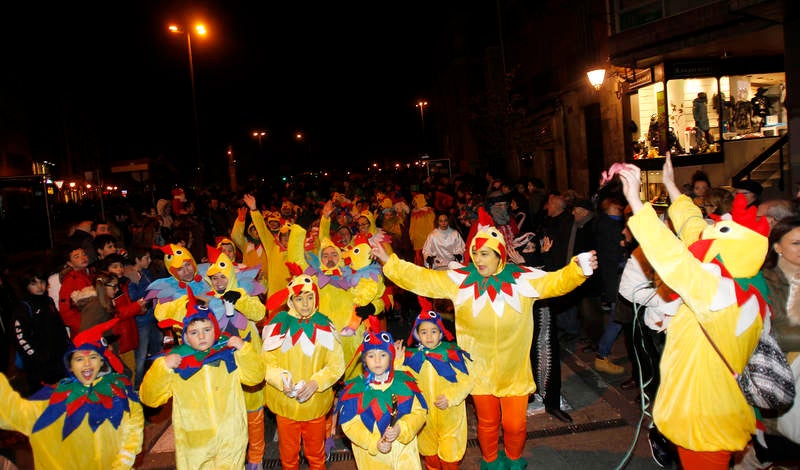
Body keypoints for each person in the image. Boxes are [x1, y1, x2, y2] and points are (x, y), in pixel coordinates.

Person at [371, 207, 595, 468]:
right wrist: (390, 262)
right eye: (475, 253)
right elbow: (424, 279)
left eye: (485, 254)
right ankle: (490, 462)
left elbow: (555, 282)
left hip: (514, 373)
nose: (478, 259)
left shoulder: (522, 278)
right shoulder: (461, 280)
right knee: (487, 423)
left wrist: (578, 270)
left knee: (515, 424)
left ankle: (513, 460)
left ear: (499, 254)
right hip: (477, 372)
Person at [615, 154, 770, 469]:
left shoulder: (718, 292)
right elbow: (693, 227)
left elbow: (672, 258)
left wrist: (635, 199)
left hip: (704, 418)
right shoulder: (747, 283)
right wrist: (671, 186)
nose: (708, 228)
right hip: (720, 408)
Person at [139, 287, 265, 470]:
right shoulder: (177, 362)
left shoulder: (227, 353)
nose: (202, 336)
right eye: (194, 332)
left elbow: (256, 377)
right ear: (186, 337)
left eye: (207, 329)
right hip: (195, 443)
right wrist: (162, 369)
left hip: (231, 437)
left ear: (215, 329)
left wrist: (244, 350)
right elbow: (150, 398)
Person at [0, 319, 144, 469]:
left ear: (102, 362)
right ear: (71, 365)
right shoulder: (57, 398)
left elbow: (133, 431)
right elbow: (15, 413)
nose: (86, 363)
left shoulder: (120, 393)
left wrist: (123, 463)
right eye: (79, 359)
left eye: (93, 357)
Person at [261, 273, 345, 470]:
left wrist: (317, 382)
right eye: (299, 298)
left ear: (316, 298)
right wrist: (282, 381)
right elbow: (266, 362)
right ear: (291, 300)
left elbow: (336, 364)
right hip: (286, 406)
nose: (305, 304)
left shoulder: (326, 327)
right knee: (288, 454)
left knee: (316, 454)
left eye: (309, 298)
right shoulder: (277, 327)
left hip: (314, 406)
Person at [735, 215, 800, 468]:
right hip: (778, 380)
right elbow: (762, 332)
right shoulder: (764, 282)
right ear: (777, 247)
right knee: (768, 450)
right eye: (796, 243)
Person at [336, 330, 427, 469]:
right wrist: (374, 442)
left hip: (405, 456)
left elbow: (419, 413)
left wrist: (400, 429)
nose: (377, 361)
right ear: (364, 359)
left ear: (391, 357)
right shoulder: (354, 391)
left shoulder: (405, 383)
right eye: (371, 355)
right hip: (373, 460)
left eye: (383, 355)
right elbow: (350, 425)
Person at [399, 303, 474, 469]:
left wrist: (450, 397)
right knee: (430, 456)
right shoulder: (413, 358)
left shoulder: (453, 355)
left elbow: (467, 382)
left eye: (434, 331)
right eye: (424, 332)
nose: (429, 336)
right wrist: (398, 360)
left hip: (450, 418)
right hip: (425, 420)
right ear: (417, 335)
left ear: (441, 333)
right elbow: (401, 378)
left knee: (449, 458)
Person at [11, 270, 71, 395]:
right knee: (44, 397)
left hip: (59, 358)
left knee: (65, 393)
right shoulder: (23, 308)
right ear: (26, 286)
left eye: (42, 282)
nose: (39, 287)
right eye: (34, 283)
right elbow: (21, 339)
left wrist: (67, 345)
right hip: (39, 365)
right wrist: (38, 357)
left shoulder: (48, 301)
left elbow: (59, 326)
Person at [124, 245, 164, 391]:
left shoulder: (146, 272)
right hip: (141, 321)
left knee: (157, 345)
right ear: (137, 260)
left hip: (152, 318)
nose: (149, 260)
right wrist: (148, 296)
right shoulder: (132, 277)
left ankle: (156, 377)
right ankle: (137, 385)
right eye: (146, 258)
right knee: (140, 355)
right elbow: (134, 298)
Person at [57, 244, 94, 338]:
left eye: (84, 254)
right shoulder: (69, 281)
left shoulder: (89, 275)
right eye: (77, 256)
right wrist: (82, 326)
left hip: (94, 325)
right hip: (83, 331)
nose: (83, 258)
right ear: (69, 263)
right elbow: (65, 311)